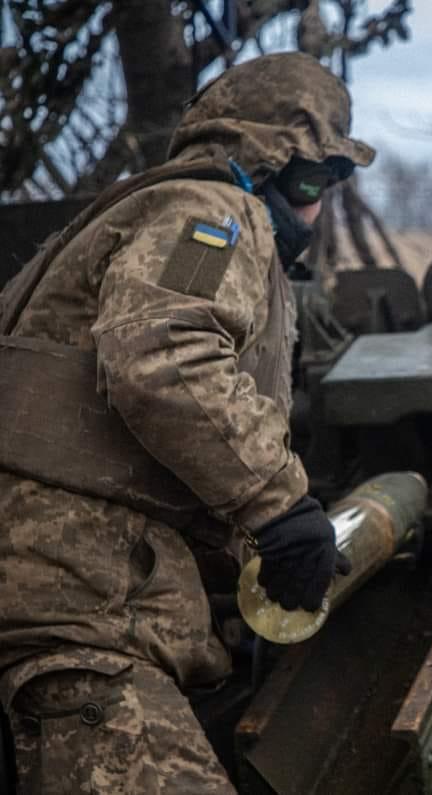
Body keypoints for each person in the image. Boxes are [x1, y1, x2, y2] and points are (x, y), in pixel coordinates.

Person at [0, 51, 372, 792]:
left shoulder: (149, 210)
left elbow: (136, 436)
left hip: (79, 602)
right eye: (308, 183)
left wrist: (260, 549)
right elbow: (163, 353)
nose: (313, 209)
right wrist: (279, 506)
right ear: (260, 167)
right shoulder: (210, 213)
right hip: (77, 613)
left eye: (326, 187)